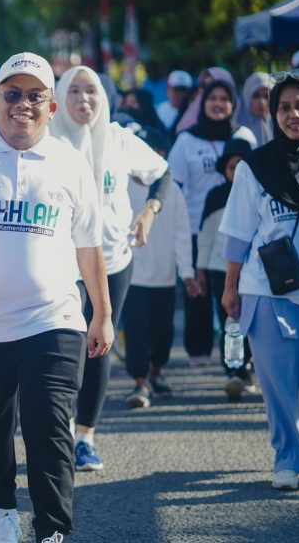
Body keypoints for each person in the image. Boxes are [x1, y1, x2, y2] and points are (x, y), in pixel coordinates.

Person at [0, 52, 113, 543]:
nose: (23, 105)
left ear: (52, 107)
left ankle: (52, 528)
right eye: (12, 94)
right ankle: (3, 510)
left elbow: (89, 246)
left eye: (36, 96)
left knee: (49, 424)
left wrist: (103, 314)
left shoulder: (71, 164)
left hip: (54, 318)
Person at [49, 65, 172, 472]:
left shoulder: (119, 139)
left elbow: (161, 174)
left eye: (92, 92)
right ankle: (56, 432)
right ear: (61, 98)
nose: (84, 100)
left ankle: (85, 437)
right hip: (60, 263)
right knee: (62, 350)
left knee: (97, 346)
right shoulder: (47, 142)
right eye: (75, 92)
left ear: (104, 99)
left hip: (113, 260)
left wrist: (149, 212)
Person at [220, 68, 299, 490]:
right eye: (285, 107)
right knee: (280, 387)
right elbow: (238, 231)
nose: (293, 115)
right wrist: (230, 286)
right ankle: (288, 460)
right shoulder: (255, 166)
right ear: (273, 113)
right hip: (266, 292)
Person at [168, 79, 256, 365]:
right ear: (202, 103)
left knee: (238, 292)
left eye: (224, 99)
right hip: (198, 228)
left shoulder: (245, 135)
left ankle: (240, 360)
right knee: (199, 292)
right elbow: (175, 186)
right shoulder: (187, 139)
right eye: (212, 98)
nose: (218, 104)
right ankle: (199, 354)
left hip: (241, 230)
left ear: (233, 104)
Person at [122, 127, 202, 408]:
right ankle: (139, 383)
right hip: (131, 278)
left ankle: (156, 372)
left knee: (163, 333)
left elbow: (182, 233)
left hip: (165, 278)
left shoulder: (172, 191)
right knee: (136, 332)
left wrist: (188, 273)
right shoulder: (121, 186)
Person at [198, 137, 256, 400]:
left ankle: (247, 368)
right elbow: (206, 237)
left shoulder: (259, 192)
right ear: (224, 169)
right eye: (232, 166)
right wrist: (199, 270)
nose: (237, 171)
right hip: (219, 269)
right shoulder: (215, 196)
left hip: (254, 271)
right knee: (228, 322)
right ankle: (233, 372)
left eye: (243, 164)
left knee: (251, 322)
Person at [174, 67, 236, 135]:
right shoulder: (187, 134)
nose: (218, 103)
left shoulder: (242, 134)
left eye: (223, 99)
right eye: (203, 85)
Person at [237, 72, 274, 147]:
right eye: (256, 96)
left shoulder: (282, 127)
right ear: (247, 96)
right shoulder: (237, 131)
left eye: (267, 96)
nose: (262, 102)